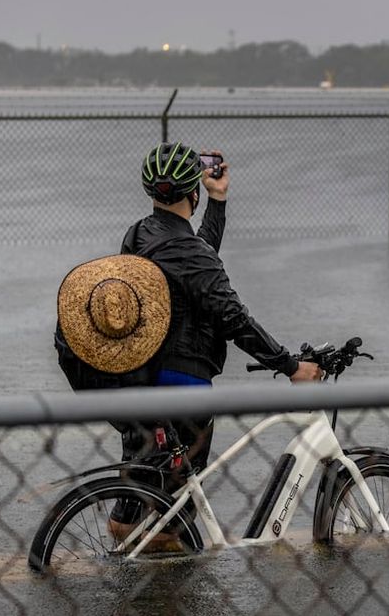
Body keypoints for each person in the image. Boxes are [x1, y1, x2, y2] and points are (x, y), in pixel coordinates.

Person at [108, 141, 321, 547]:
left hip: (139, 375)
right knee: (178, 505)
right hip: (183, 382)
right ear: (193, 192)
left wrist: (218, 201)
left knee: (142, 483)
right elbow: (232, 317)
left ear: (152, 192)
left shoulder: (140, 233)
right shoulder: (187, 252)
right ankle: (173, 586)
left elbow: (195, 259)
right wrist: (290, 366)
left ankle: (128, 556)